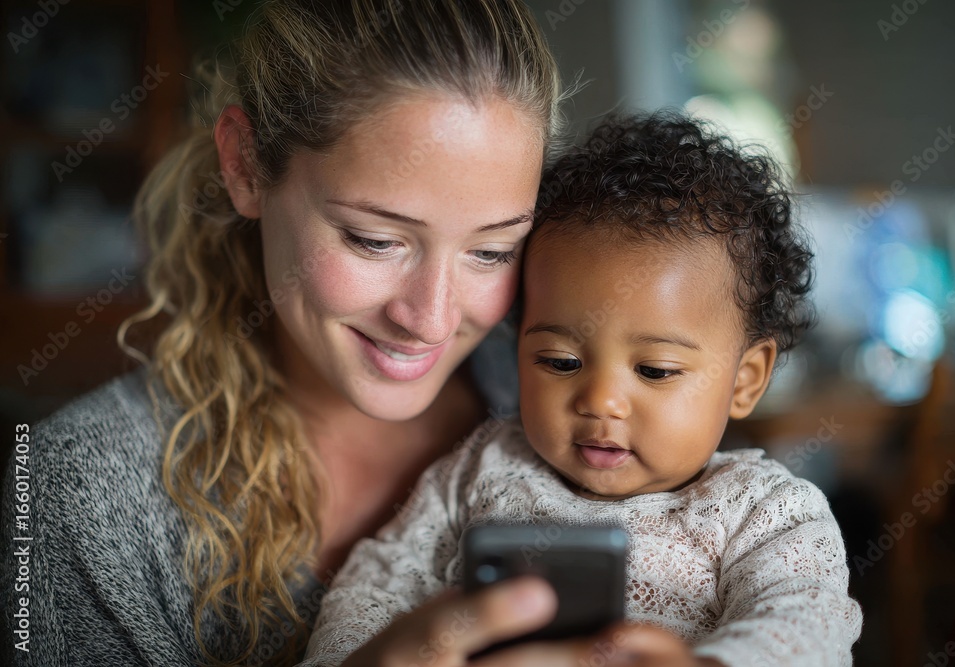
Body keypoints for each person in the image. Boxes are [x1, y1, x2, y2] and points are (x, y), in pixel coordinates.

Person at [0, 1, 643, 665]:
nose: (431, 318)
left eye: (491, 251)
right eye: (375, 240)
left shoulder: (601, 414)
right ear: (245, 165)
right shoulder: (79, 491)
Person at [301, 113, 864, 667]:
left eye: (655, 370)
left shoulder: (765, 513)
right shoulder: (482, 467)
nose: (600, 401)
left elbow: (808, 624)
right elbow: (375, 586)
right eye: (560, 361)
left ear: (745, 380)